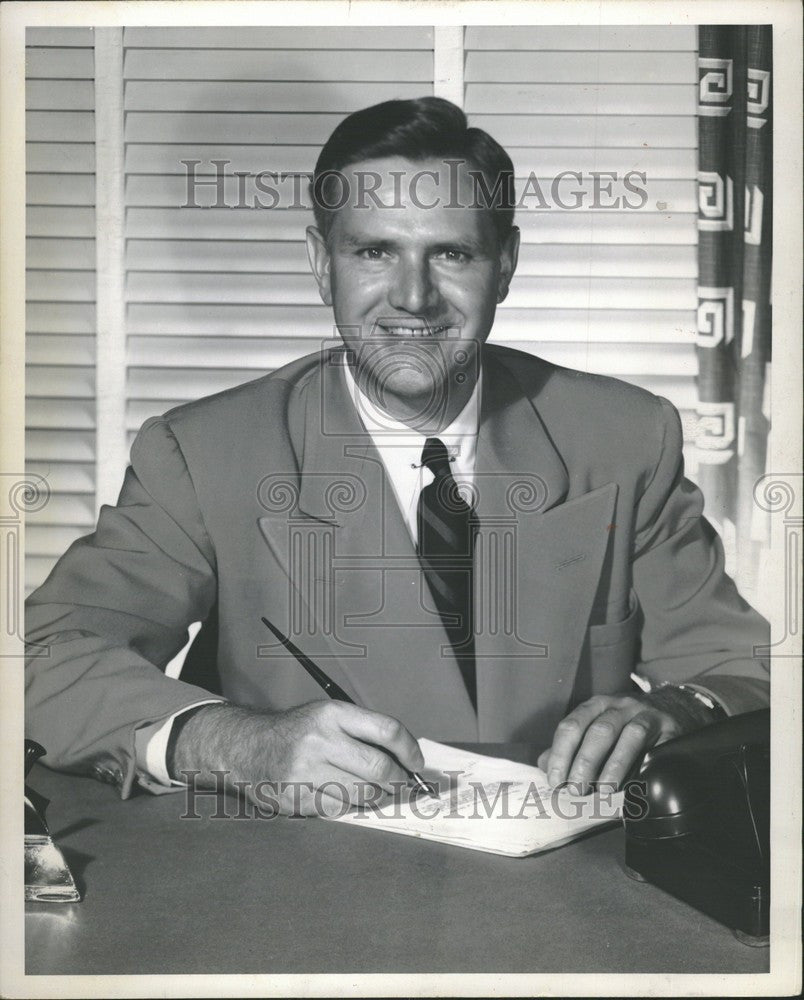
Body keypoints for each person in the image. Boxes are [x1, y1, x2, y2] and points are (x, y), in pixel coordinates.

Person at [25, 97, 769, 815]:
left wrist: (677, 708)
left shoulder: (624, 438)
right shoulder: (205, 453)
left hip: (566, 900)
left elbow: (747, 668)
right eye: (375, 251)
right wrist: (231, 743)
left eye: (450, 253)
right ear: (323, 264)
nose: (413, 297)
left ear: (504, 265)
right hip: (288, 900)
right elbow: (41, 655)